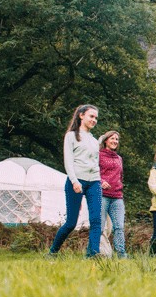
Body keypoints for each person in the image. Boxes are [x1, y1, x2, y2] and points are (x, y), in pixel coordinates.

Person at [49, 104, 104, 258]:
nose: (94, 120)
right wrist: (74, 181)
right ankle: (53, 252)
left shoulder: (94, 140)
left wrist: (99, 180)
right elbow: (68, 161)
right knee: (71, 223)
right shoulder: (71, 136)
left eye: (96, 118)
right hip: (76, 181)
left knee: (96, 220)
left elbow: (95, 162)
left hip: (94, 182)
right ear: (81, 115)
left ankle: (92, 254)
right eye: (91, 116)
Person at [99, 130, 128, 258]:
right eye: (112, 138)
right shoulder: (98, 155)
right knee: (99, 227)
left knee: (119, 227)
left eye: (117, 139)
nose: (115, 141)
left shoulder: (119, 158)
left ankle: (121, 254)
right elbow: (92, 172)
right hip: (102, 195)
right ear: (106, 140)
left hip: (117, 196)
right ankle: (97, 252)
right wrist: (101, 181)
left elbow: (120, 176)